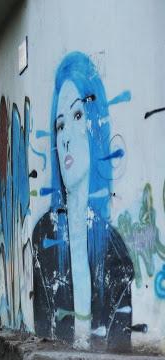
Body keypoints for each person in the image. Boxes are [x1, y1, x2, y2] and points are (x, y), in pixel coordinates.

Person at [32, 52, 134, 351]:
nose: (65, 138)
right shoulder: (44, 237)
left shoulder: (117, 257)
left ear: (96, 126)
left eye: (78, 116)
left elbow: (121, 346)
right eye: (60, 125)